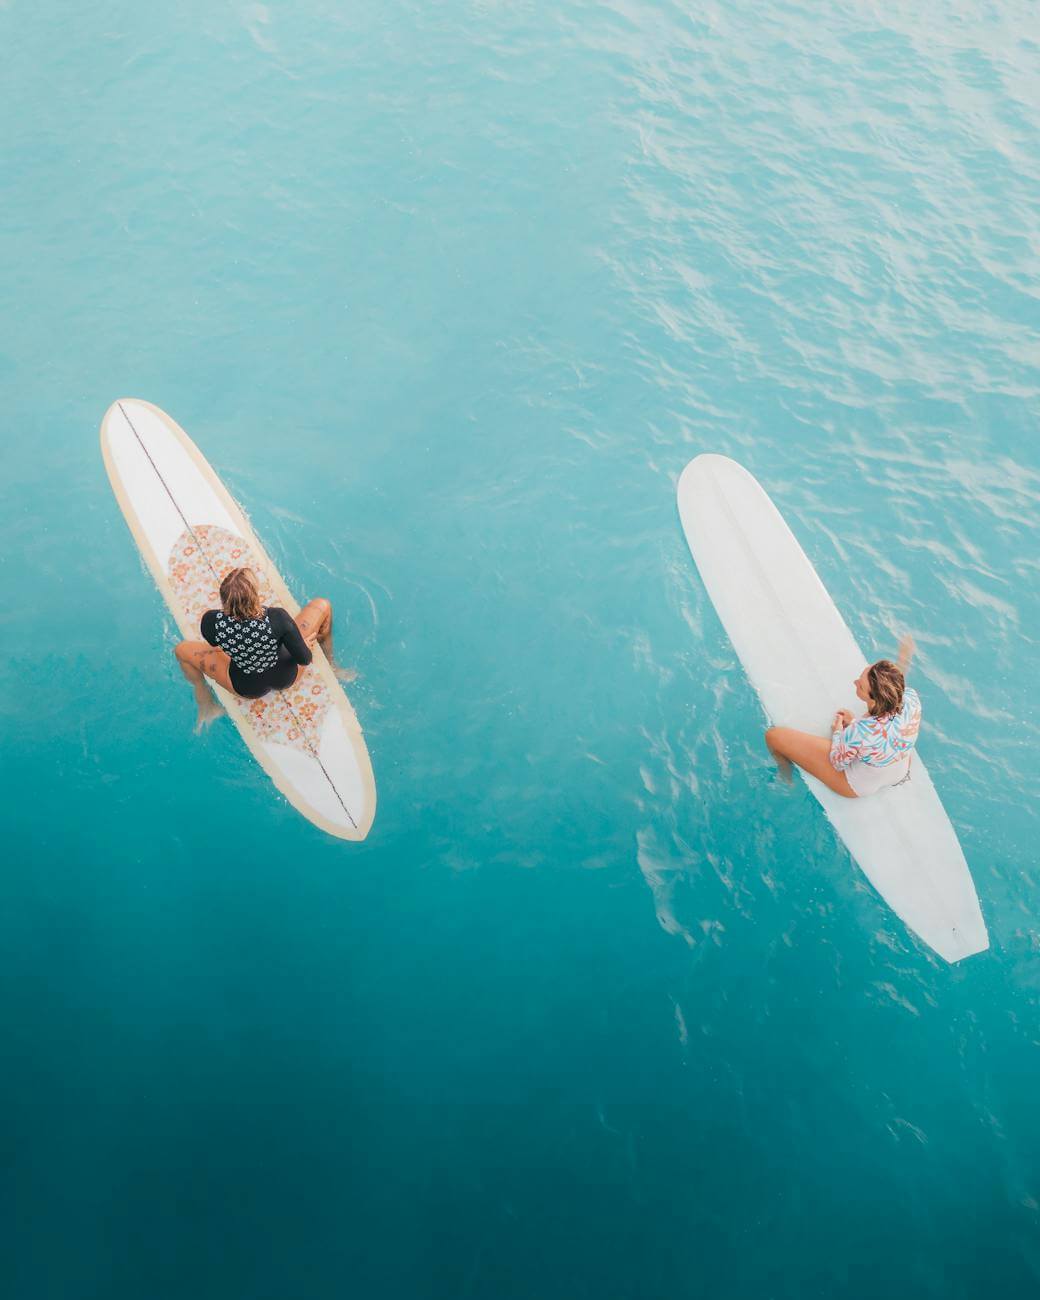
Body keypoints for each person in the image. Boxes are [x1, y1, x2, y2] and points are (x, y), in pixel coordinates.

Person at [174, 566, 346, 729]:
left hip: (246, 687)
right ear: (255, 596)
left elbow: (213, 644)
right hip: (286, 677)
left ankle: (205, 701)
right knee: (323, 605)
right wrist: (304, 645)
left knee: (181, 650)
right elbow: (305, 659)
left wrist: (238, 647)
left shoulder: (211, 621)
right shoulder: (277, 618)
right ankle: (332, 665)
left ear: (223, 599)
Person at [765, 636, 919, 798]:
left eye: (860, 686)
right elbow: (895, 692)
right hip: (901, 768)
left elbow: (838, 763)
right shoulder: (912, 698)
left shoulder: (858, 731)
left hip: (861, 785)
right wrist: (903, 659)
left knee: (774, 737)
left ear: (874, 699)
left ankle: (786, 778)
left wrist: (839, 731)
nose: (855, 682)